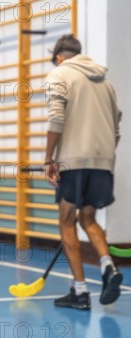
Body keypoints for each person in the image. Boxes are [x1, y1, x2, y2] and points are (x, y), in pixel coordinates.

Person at [44, 35, 123, 310]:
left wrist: (48, 159)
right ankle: (108, 267)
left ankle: (79, 291)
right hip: (103, 161)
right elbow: (117, 126)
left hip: (73, 161)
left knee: (67, 221)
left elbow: (56, 117)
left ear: (58, 57)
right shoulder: (106, 82)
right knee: (88, 218)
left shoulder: (59, 74)